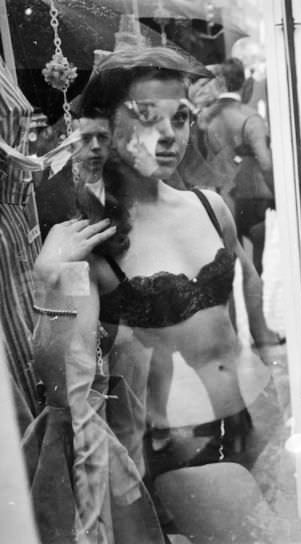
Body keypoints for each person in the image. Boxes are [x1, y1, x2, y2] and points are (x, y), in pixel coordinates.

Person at [33, 47, 276, 479]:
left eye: (179, 117)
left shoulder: (210, 207)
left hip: (241, 418)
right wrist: (51, 280)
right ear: (106, 127)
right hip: (164, 451)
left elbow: (228, 313)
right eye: (147, 116)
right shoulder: (91, 240)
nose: (169, 134)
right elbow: (62, 385)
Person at [201, 58, 276, 278]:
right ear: (244, 83)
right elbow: (265, 163)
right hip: (251, 197)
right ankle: (257, 311)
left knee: (224, 271)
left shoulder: (204, 118)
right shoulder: (251, 119)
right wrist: (276, 195)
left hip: (219, 198)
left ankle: (232, 314)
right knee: (254, 269)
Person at [35, 115, 111, 238]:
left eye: (102, 137)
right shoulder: (53, 193)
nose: (96, 146)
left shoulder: (115, 180)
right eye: (85, 138)